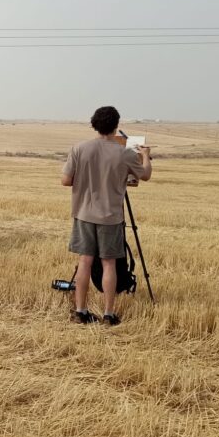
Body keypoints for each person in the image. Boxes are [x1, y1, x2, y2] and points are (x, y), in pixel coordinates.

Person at [61, 105, 152, 325]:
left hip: (83, 213)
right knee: (109, 264)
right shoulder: (125, 153)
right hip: (111, 216)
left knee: (84, 262)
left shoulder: (80, 148)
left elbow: (65, 180)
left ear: (94, 124)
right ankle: (109, 314)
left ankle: (80, 311)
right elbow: (145, 175)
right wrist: (146, 156)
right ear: (116, 126)